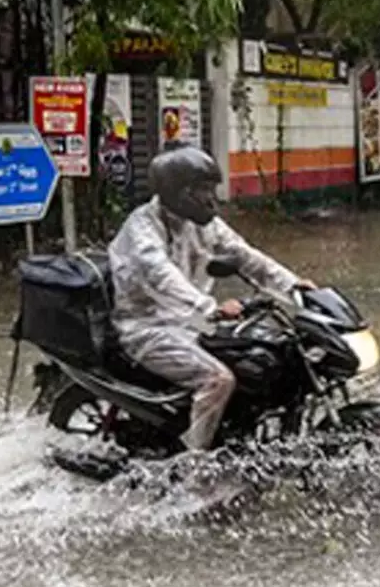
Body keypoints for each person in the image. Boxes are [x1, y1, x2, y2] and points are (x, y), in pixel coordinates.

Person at [108, 147, 314, 452]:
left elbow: (245, 255)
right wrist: (210, 307)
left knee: (263, 352)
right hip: (146, 327)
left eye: (211, 189)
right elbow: (161, 274)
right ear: (178, 192)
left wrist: (294, 285)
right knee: (218, 379)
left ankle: (241, 431)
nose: (211, 198)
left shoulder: (203, 224)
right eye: (202, 190)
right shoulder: (143, 229)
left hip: (190, 321)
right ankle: (196, 461)